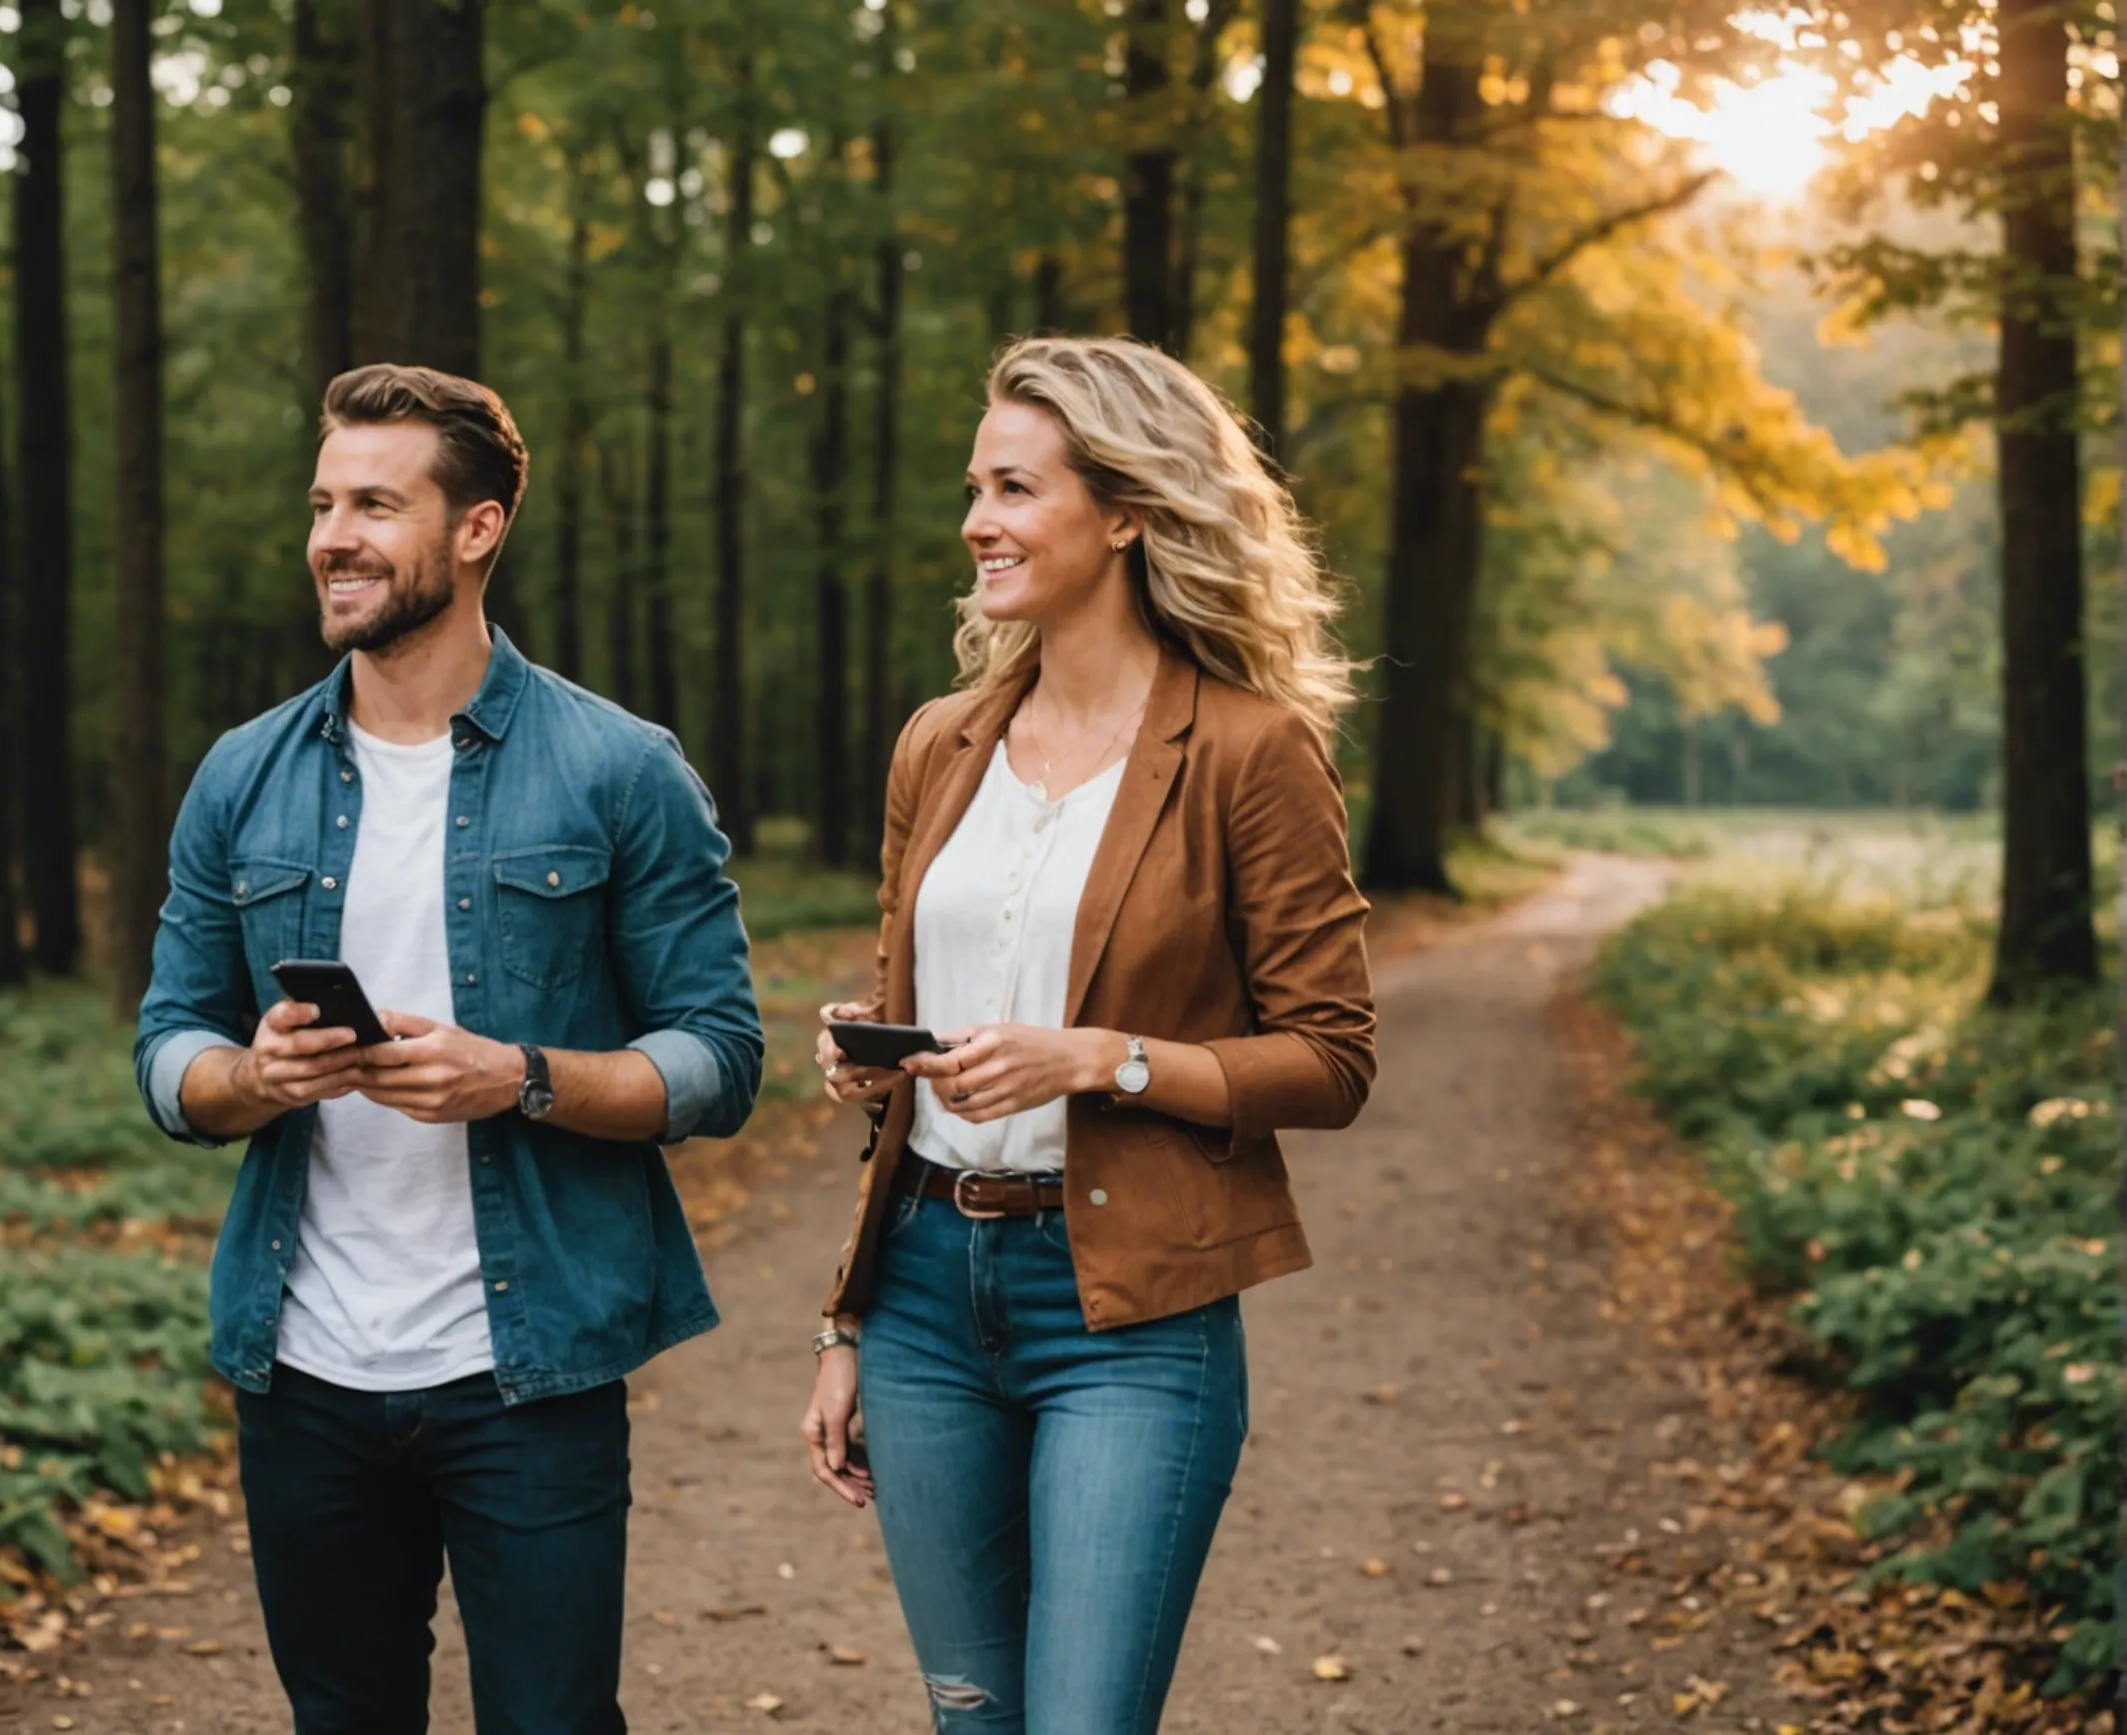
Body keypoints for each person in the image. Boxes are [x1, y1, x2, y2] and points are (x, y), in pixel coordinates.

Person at [134, 363, 763, 1735]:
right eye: (321, 502)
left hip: (526, 1372)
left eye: (374, 502)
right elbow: (166, 1047)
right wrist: (251, 1075)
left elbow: (721, 1057)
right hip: (302, 1369)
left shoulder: (619, 767)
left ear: (476, 530)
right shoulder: (242, 774)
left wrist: (519, 1076)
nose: (332, 535)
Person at [797, 335, 1376, 1733]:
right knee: (972, 1718)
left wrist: (1099, 1055)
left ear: (1124, 509)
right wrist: (849, 1304)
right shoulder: (939, 741)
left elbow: (1333, 1057)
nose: (976, 520)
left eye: (1013, 486)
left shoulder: (1250, 748)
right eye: (975, 486)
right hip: (927, 1291)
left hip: (1132, 1314)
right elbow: (913, 1037)